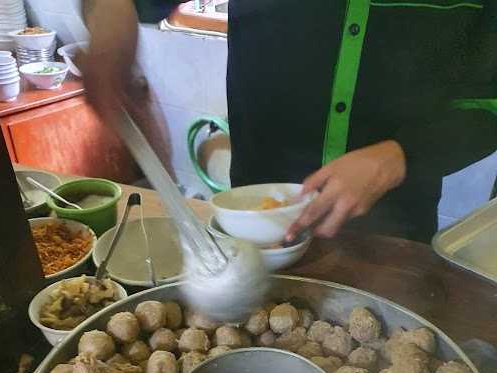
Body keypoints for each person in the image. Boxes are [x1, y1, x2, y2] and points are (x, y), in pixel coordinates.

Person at [82, 0, 497, 243]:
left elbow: (491, 102)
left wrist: (396, 157)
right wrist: (109, 40)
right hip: (258, 213)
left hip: (394, 225)